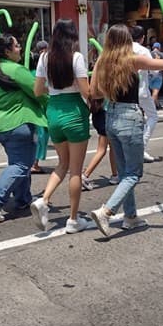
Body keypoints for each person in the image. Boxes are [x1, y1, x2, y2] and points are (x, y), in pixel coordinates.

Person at [89, 22, 163, 237]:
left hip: (111, 115)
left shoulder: (102, 61)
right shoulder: (132, 60)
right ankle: (107, 210)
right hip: (130, 117)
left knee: (123, 173)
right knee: (133, 173)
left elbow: (94, 93)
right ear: (127, 41)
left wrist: (110, 86)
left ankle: (130, 216)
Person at [31, 20, 91, 233]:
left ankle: (43, 200)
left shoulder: (44, 58)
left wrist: (55, 91)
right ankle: (73, 220)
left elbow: (38, 90)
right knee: (76, 170)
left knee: (62, 163)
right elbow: (87, 92)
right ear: (73, 36)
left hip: (53, 112)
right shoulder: (76, 58)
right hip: (74, 111)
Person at [0, 34, 48, 223]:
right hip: (19, 122)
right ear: (7, 51)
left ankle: (22, 199)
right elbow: (39, 92)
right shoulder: (16, 70)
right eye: (17, 45)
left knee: (18, 161)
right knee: (21, 164)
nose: (20, 48)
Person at [130, 25, 160, 163]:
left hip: (125, 92)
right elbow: (154, 72)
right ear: (142, 38)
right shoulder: (143, 51)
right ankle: (141, 146)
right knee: (152, 116)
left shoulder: (123, 49)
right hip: (141, 90)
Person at [31, 40, 50, 174]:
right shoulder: (34, 72)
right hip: (38, 108)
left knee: (42, 134)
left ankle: (34, 162)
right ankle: (34, 163)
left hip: (43, 107)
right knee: (40, 135)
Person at [149, 42, 163, 110]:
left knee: (152, 92)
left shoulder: (149, 53)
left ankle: (157, 105)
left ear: (153, 47)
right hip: (158, 75)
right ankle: (151, 106)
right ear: (159, 47)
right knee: (155, 92)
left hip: (149, 75)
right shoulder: (161, 54)